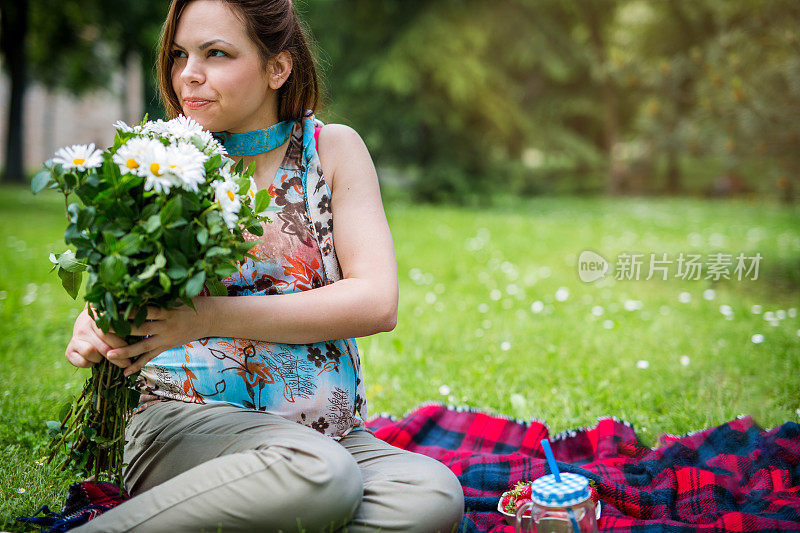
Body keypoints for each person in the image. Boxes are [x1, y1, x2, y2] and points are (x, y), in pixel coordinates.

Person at [64, 0, 465, 531]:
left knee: (431, 495)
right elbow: (122, 289)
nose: (189, 74)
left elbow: (375, 301)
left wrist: (206, 317)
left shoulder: (332, 151)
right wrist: (95, 319)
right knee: (320, 477)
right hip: (188, 419)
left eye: (217, 53)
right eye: (180, 54)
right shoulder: (161, 160)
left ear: (278, 67)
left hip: (330, 433)